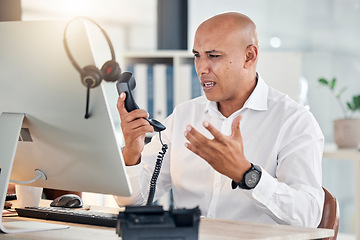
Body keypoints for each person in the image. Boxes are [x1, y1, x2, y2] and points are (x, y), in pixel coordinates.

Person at [115, 12, 324, 228]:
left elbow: (308, 216)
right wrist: (132, 152)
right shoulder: (183, 116)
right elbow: (131, 201)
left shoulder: (294, 121)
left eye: (213, 56)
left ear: (249, 56)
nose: (201, 68)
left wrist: (246, 175)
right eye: (197, 55)